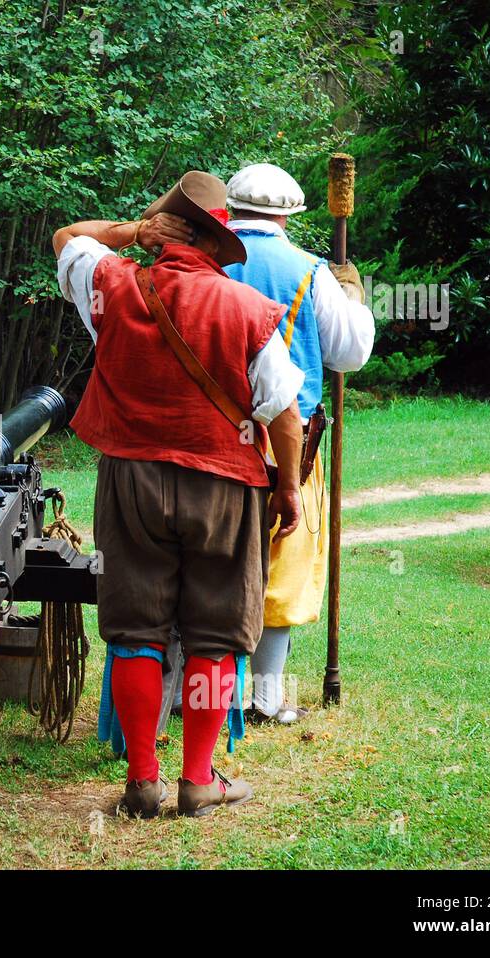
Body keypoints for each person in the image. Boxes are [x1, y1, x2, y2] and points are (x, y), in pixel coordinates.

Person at [54, 171, 305, 818]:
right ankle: (198, 780)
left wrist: (130, 233)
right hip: (224, 484)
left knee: (135, 625)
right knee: (215, 633)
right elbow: (282, 412)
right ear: (215, 242)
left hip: (130, 479)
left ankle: (142, 779)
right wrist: (288, 491)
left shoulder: (111, 284)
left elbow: (66, 238)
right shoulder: (248, 311)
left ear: (167, 232)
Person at [223, 163, 375, 725]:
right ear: (288, 214)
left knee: (214, 563)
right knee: (280, 564)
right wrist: (352, 295)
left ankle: (213, 694)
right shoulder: (311, 271)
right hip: (290, 445)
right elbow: (350, 354)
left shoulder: (201, 261)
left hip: (212, 439)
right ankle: (265, 700)